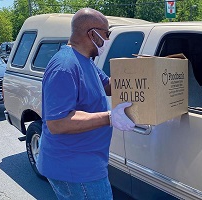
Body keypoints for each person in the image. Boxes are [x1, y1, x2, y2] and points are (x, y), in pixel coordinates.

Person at [37, 8, 135, 200]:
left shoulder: (86, 62)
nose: (107, 40)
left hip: (85, 164)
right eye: (107, 34)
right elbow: (57, 123)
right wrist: (109, 117)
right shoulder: (65, 66)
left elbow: (108, 85)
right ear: (92, 33)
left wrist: (145, 77)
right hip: (75, 170)